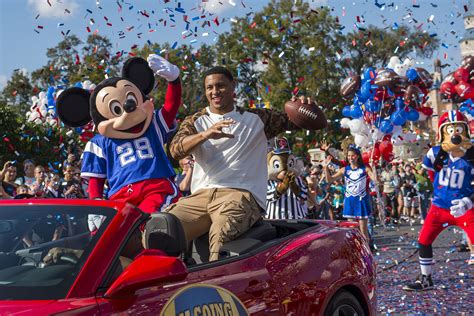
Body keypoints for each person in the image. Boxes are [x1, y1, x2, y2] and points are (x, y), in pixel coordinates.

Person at [165, 66, 310, 261]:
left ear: (233, 86)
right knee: (162, 230)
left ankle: (212, 290)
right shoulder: (196, 121)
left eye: (220, 86)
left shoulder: (258, 118)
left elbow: (298, 119)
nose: (214, 92)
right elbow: (175, 149)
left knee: (221, 235)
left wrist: (306, 106)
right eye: (209, 88)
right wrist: (205, 135)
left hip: (240, 194)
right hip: (199, 197)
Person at [323, 145, 376, 242]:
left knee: (363, 231)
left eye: (353, 155)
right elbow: (329, 180)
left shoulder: (365, 168)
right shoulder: (344, 169)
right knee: (352, 232)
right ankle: (356, 254)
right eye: (349, 156)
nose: (350, 158)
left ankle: (367, 253)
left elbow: (376, 180)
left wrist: (374, 169)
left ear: (358, 156)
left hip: (361, 201)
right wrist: (326, 168)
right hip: (350, 201)